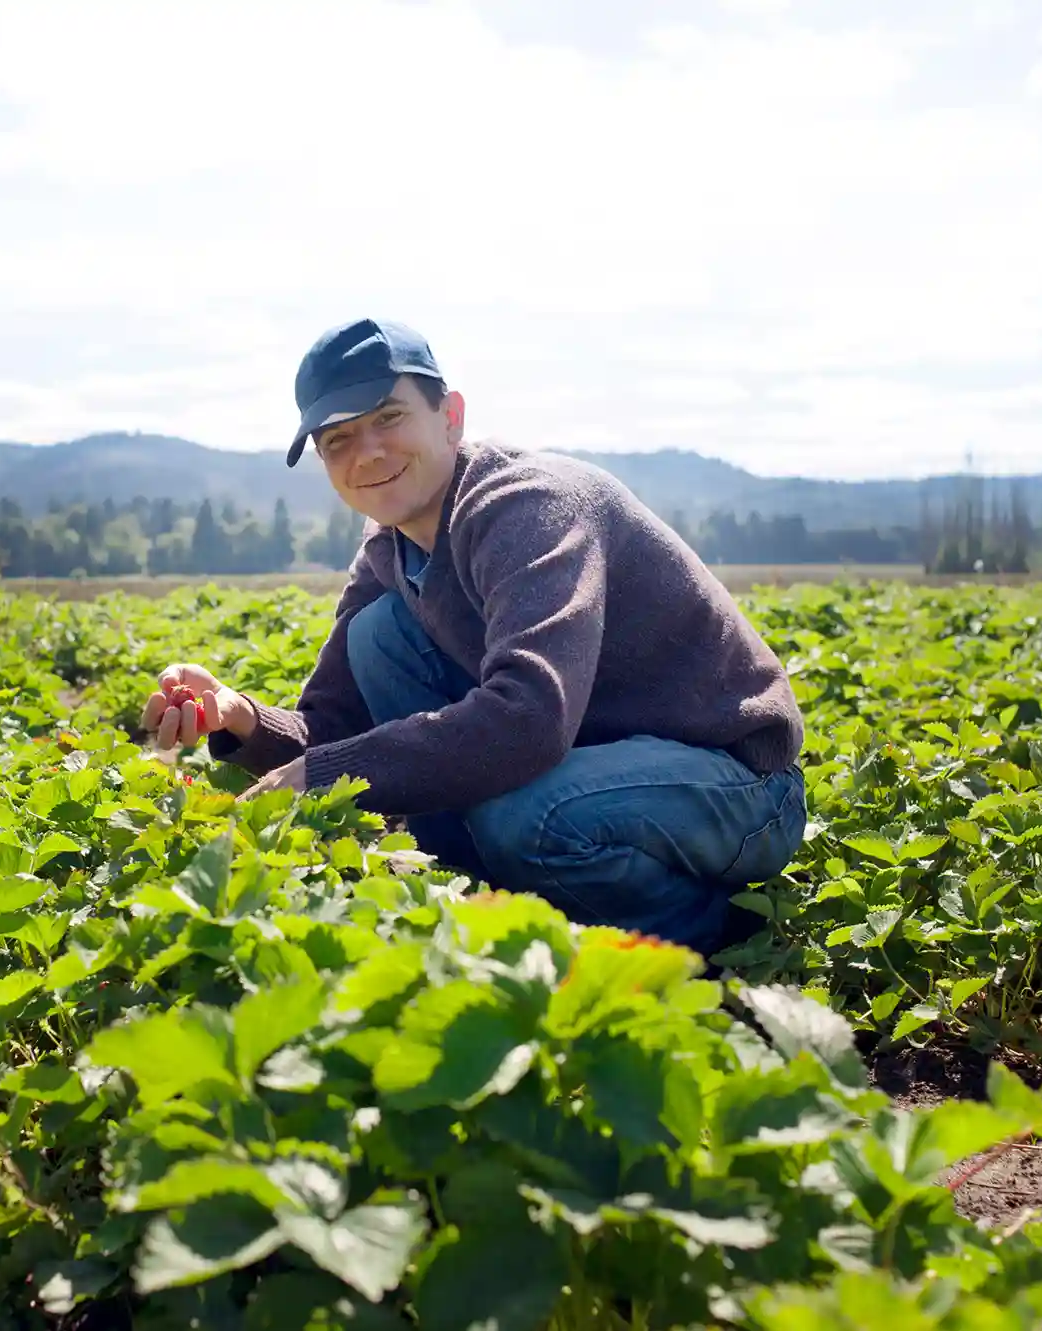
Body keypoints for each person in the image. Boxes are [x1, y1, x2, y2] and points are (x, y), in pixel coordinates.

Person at [140, 318, 806, 961]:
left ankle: (697, 940)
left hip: (734, 783)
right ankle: (492, 899)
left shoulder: (529, 507)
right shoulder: (389, 549)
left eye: (388, 418)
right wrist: (242, 716)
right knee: (378, 637)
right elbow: (335, 730)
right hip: (592, 763)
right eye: (337, 439)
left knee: (529, 816)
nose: (367, 452)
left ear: (450, 415)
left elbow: (529, 721)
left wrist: (319, 775)